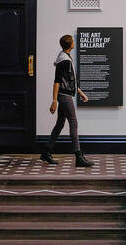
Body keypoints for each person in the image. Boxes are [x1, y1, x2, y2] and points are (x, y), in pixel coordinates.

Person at [40, 35, 94, 167]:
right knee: (73, 122)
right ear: (71, 45)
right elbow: (57, 81)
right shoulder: (64, 60)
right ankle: (78, 157)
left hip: (65, 94)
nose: (74, 43)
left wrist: (80, 93)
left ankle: (46, 152)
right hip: (64, 96)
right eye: (73, 41)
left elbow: (70, 80)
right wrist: (54, 100)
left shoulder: (64, 57)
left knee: (60, 124)